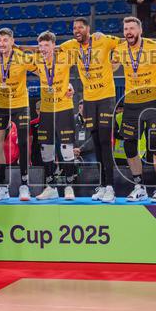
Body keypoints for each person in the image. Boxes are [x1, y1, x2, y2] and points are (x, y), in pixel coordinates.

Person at [59, 18, 120, 203]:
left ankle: (110, 187)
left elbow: (126, 41)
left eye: (80, 27)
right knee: (95, 139)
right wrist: (16, 47)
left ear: (88, 28)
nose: (77, 30)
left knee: (104, 140)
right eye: (74, 28)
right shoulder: (71, 45)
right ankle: (102, 186)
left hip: (106, 97)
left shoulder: (102, 39)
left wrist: (115, 59)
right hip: (89, 100)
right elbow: (48, 48)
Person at [111, 16, 156, 203]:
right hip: (131, 103)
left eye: (131, 28)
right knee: (129, 145)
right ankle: (139, 187)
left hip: (152, 101)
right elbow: (110, 68)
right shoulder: (120, 50)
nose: (128, 32)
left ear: (140, 30)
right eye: (125, 29)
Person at [0, 28, 35, 202]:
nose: (2, 44)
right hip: (0, 104)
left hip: (20, 103)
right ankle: (2, 187)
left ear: (12, 41)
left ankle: (24, 185)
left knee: (23, 141)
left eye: (5, 40)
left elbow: (41, 69)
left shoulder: (22, 57)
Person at [29, 31, 78, 200]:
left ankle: (69, 187)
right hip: (47, 110)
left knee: (66, 149)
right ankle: (51, 187)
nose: (43, 49)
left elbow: (79, 46)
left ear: (53, 46)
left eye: (46, 45)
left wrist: (70, 85)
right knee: (46, 150)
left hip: (64, 107)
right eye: (40, 46)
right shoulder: (37, 60)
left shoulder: (64, 58)